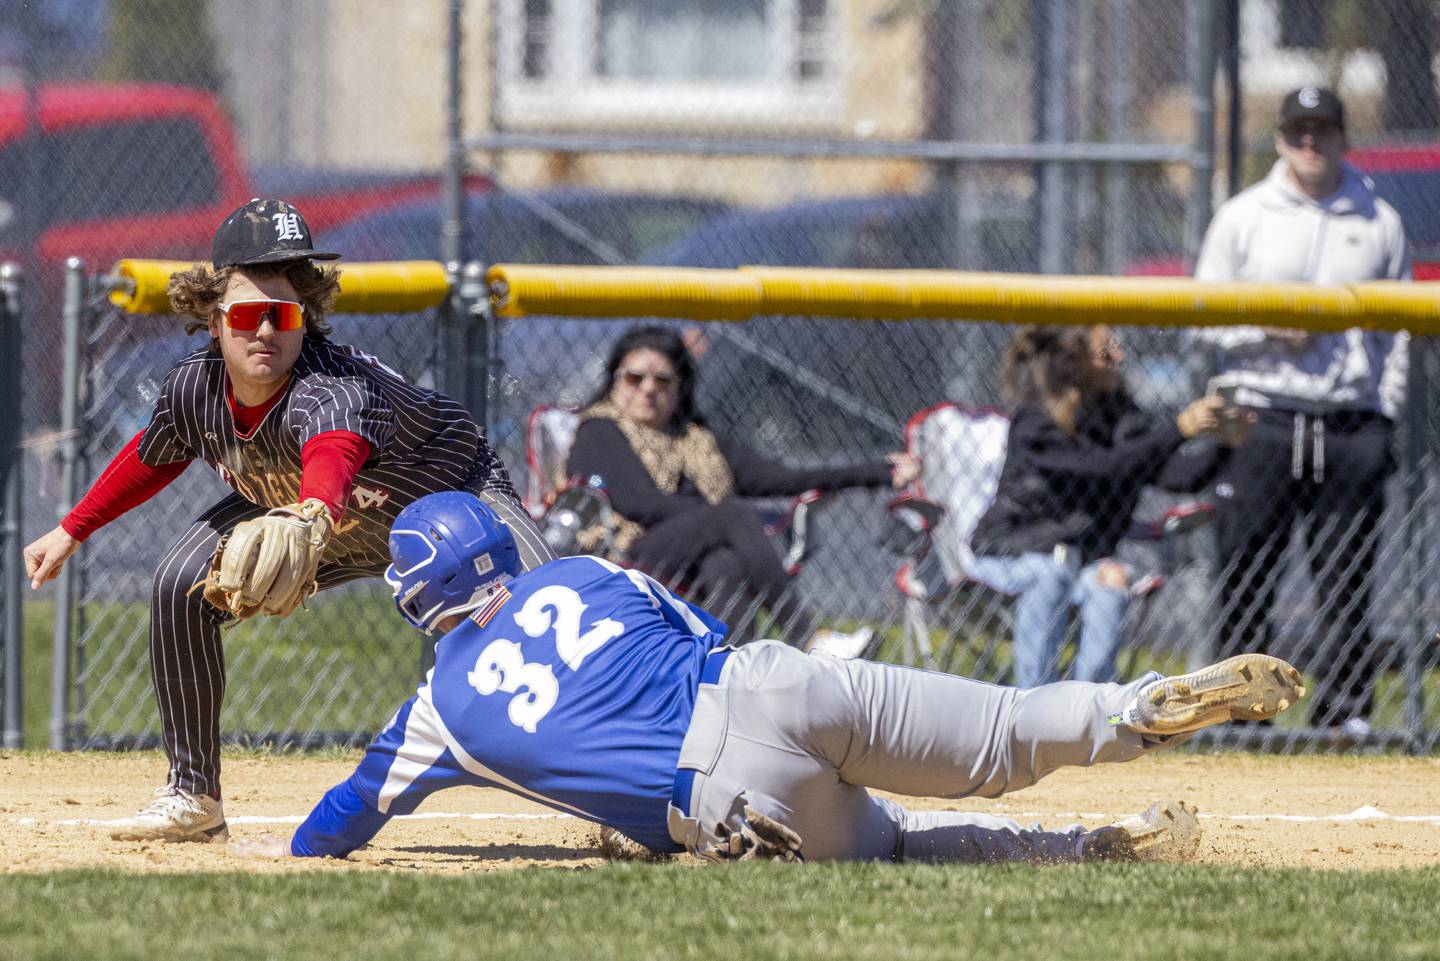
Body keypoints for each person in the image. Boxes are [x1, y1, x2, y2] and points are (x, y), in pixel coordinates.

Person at [233, 490, 1304, 864]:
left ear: (419, 604)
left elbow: (332, 824)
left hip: (728, 798)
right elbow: (700, 629)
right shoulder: (582, 570)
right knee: (1013, 728)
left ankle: (1076, 851)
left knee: (888, 844)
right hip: (770, 681)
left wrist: (312, 836)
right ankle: (1138, 703)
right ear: (498, 556)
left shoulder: (435, 713)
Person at [22, 199, 554, 843]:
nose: (265, 331)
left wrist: (309, 518)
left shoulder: (332, 388)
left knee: (550, 609)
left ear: (306, 319)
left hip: (451, 504)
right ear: (214, 320)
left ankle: (637, 769)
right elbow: (153, 454)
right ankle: (193, 796)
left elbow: (334, 451)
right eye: (247, 315)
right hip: (319, 514)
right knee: (179, 586)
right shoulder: (193, 389)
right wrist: (71, 528)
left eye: (284, 313)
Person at [1193, 87, 1411, 739]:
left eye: (1323, 129)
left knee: (1345, 576)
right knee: (1245, 568)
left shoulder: (1377, 219)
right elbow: (1201, 316)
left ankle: (1345, 712)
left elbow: (1397, 333)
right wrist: (1265, 328)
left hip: (1346, 422)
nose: (1310, 142)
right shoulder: (1244, 215)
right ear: (1280, 139)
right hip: (1263, 415)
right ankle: (1241, 711)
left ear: (1344, 138)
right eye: (1297, 131)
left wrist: (1384, 413)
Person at [564, 324, 919, 657]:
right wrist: (712, 518)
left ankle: (725, 671)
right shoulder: (600, 430)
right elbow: (640, 505)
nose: (648, 388)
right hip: (623, 554)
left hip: (691, 553)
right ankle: (807, 637)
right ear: (615, 380)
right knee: (732, 515)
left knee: (726, 563)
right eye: (634, 377)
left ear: (679, 387)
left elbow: (782, 478)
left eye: (662, 380)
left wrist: (878, 472)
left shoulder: (696, 439)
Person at [969, 324, 1243, 688]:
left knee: (1109, 581)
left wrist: (1226, 443)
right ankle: (1032, 708)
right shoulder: (1035, 421)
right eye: (1106, 351)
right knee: (1050, 572)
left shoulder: (1118, 415)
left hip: (1078, 565)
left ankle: (1092, 709)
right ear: (1076, 362)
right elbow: (1104, 466)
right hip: (1009, 555)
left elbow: (1179, 476)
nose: (1120, 357)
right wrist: (1178, 430)